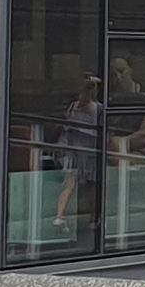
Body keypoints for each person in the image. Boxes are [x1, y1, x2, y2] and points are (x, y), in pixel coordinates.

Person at [51, 76, 102, 235]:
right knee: (83, 185)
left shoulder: (88, 108)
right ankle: (66, 216)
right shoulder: (89, 108)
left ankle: (65, 216)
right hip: (81, 150)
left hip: (83, 151)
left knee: (84, 185)